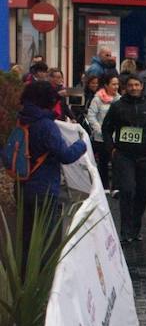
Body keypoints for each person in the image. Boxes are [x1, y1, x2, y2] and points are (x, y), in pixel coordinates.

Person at [9, 81, 87, 253]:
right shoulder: (46, 125)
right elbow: (65, 156)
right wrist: (81, 144)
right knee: (45, 239)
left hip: (21, 184)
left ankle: (23, 274)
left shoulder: (21, 119)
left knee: (26, 236)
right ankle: (44, 277)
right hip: (44, 188)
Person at [102, 74, 146, 242]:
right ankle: (125, 231)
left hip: (145, 157)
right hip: (124, 156)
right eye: (131, 85)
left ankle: (135, 228)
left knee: (141, 193)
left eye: (137, 85)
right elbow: (106, 128)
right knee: (127, 190)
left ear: (142, 86)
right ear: (125, 87)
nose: (134, 88)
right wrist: (111, 148)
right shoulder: (117, 106)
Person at [86, 74, 119, 191]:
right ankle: (104, 187)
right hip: (100, 137)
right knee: (103, 163)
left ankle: (115, 187)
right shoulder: (97, 99)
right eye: (113, 84)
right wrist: (100, 130)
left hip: (116, 137)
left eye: (117, 84)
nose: (116, 87)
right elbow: (91, 116)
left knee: (117, 162)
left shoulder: (119, 99)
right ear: (106, 85)